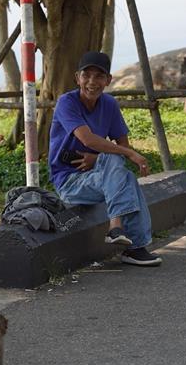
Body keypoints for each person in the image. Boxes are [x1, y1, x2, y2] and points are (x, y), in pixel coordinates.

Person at [48, 51, 160, 266]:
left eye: (99, 76)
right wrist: (128, 154)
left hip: (99, 178)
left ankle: (117, 231)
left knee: (122, 172)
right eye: (86, 75)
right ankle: (133, 245)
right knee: (121, 167)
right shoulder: (66, 102)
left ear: (108, 80)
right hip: (70, 183)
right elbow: (88, 139)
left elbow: (122, 143)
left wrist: (96, 159)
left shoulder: (109, 104)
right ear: (77, 78)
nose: (92, 82)